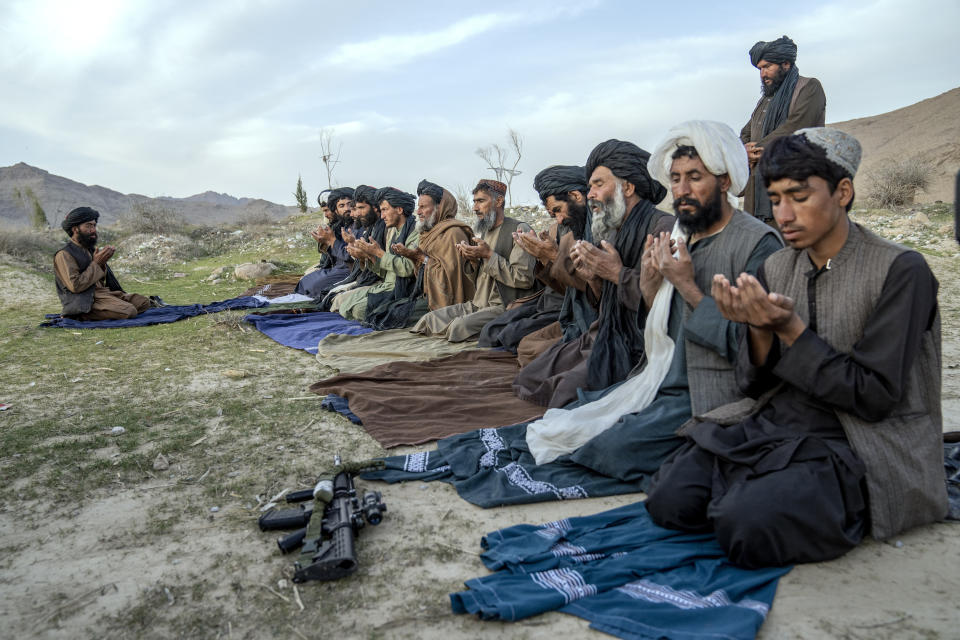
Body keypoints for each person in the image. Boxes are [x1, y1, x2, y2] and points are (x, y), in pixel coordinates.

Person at [646, 128, 947, 568]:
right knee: (668, 500)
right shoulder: (777, 265)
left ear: (842, 192)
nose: (783, 214)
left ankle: (832, 501)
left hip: (859, 439)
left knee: (745, 526)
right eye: (776, 198)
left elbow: (874, 396)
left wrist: (790, 330)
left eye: (799, 197)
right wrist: (759, 330)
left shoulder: (900, 269)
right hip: (781, 423)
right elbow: (753, 384)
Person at [527, 121, 783, 476]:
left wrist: (684, 286)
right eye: (675, 178)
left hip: (714, 389)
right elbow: (660, 319)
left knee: (605, 448)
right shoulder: (680, 235)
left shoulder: (759, 244)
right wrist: (643, 285)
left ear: (724, 181)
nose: (682, 189)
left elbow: (754, 349)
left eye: (694, 177)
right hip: (662, 374)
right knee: (566, 420)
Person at [512, 140, 673, 408]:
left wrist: (615, 272)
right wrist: (593, 278)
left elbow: (666, 305)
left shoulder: (662, 227)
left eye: (598, 184)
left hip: (637, 344)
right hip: (604, 332)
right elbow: (602, 300)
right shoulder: (613, 227)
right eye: (590, 187)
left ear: (628, 187)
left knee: (564, 393)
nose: (590, 194)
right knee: (529, 377)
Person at [479, 165, 591, 352]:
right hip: (548, 301)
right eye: (553, 214)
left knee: (516, 338)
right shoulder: (562, 227)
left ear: (576, 196)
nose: (559, 219)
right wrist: (543, 258)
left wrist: (553, 256)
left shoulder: (593, 229)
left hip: (573, 307)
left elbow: (590, 287)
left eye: (558, 210)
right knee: (491, 331)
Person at [411, 179, 537, 342]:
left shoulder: (519, 230)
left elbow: (523, 279)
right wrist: (472, 261)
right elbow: (479, 281)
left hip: (504, 306)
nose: (475, 208)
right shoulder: (486, 232)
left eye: (481, 201)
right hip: (478, 304)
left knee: (458, 327)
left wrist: (488, 255)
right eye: (474, 202)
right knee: (428, 320)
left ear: (499, 201)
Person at [364, 180, 477, 329]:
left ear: (439, 207)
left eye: (423, 207)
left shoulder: (453, 233)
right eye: (419, 207)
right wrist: (415, 258)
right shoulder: (430, 232)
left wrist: (419, 258)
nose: (418, 212)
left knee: (390, 318)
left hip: (446, 302)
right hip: (426, 295)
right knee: (378, 312)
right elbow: (423, 273)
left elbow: (451, 278)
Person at [740, 35, 826, 222]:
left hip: (795, 185)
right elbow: (746, 132)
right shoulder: (765, 100)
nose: (762, 74)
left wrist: (754, 150)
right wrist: (742, 151)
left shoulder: (809, 87)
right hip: (758, 187)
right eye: (759, 69)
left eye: (766, 67)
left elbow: (795, 128)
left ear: (785, 64)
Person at [53, 207, 153, 320]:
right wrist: (96, 264)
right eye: (88, 226)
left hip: (102, 294)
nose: (93, 230)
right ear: (76, 229)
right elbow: (75, 286)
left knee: (143, 302)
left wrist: (101, 264)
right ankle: (80, 314)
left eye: (94, 225)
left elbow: (100, 279)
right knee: (129, 311)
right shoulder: (64, 254)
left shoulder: (89, 250)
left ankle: (111, 308)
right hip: (84, 300)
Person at [336, 187, 419, 321]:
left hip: (401, 290)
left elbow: (408, 269)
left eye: (385, 210)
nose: (382, 216)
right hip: (387, 285)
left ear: (399, 209)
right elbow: (385, 272)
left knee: (358, 311)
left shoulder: (414, 232)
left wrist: (379, 253)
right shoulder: (394, 233)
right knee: (344, 304)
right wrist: (369, 256)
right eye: (381, 211)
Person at [295, 187, 356, 297]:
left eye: (327, 210)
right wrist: (325, 242)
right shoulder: (340, 225)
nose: (347, 209)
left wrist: (330, 241)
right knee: (305, 282)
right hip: (338, 268)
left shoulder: (355, 225)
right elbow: (329, 259)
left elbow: (348, 256)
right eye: (342, 206)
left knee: (313, 286)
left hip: (349, 270)